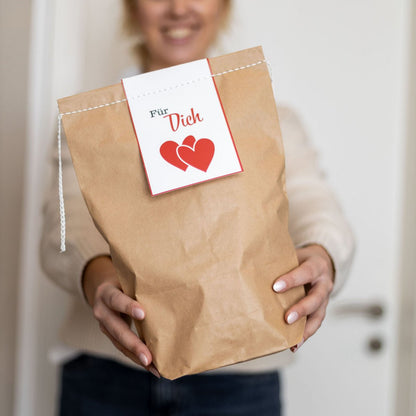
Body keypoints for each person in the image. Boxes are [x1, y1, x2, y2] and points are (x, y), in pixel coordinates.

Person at [40, 1, 355, 415]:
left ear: (223, 8)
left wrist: (323, 253)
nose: (178, 9)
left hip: (241, 385)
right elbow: (63, 229)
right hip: (106, 380)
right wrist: (95, 274)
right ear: (133, 10)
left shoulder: (268, 117)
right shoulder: (90, 127)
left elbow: (315, 202)